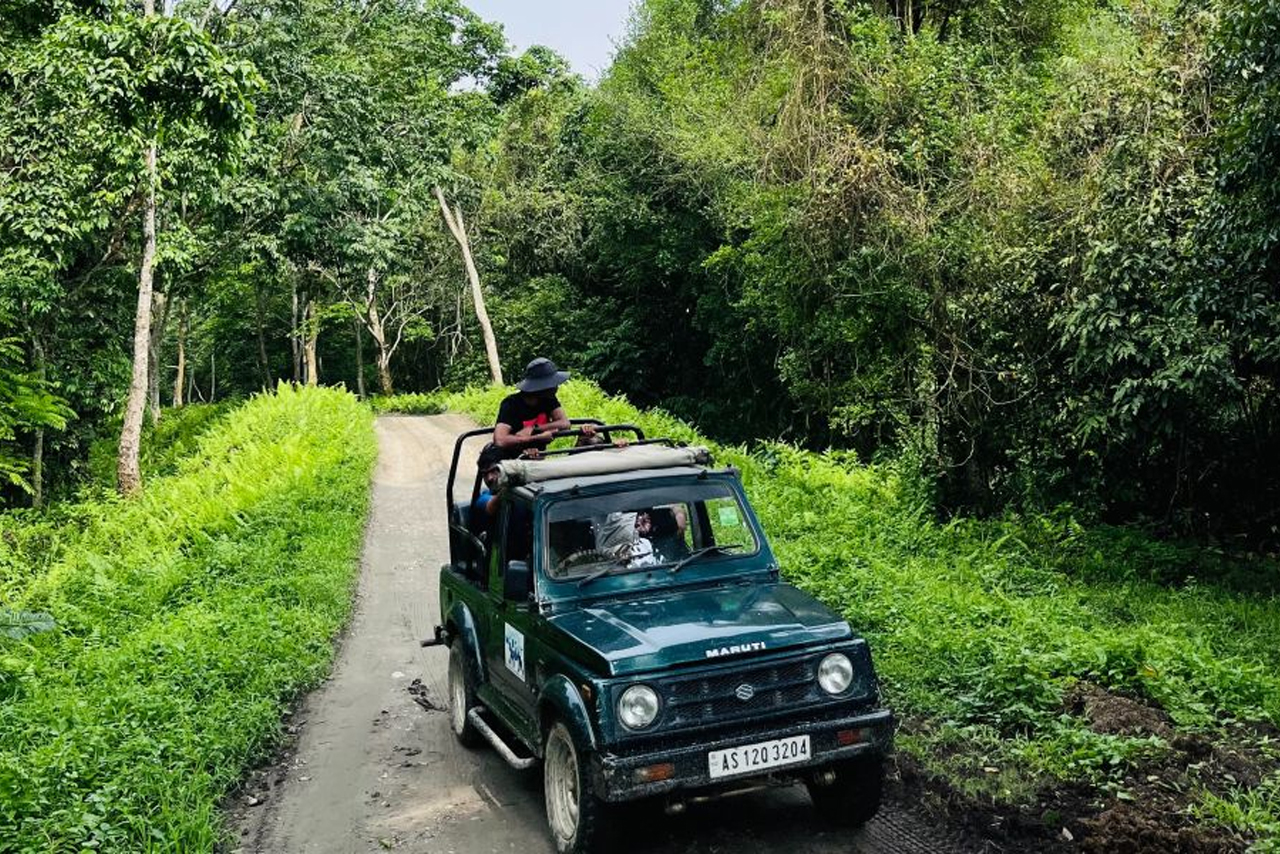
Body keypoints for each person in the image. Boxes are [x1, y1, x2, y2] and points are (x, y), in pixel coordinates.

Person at [493, 357, 594, 456]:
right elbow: (500, 440)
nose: (556, 387)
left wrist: (534, 429)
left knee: (592, 441)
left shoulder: (548, 399)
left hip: (538, 456)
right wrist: (536, 438)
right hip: (512, 459)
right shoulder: (511, 404)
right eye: (552, 383)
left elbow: (564, 423)